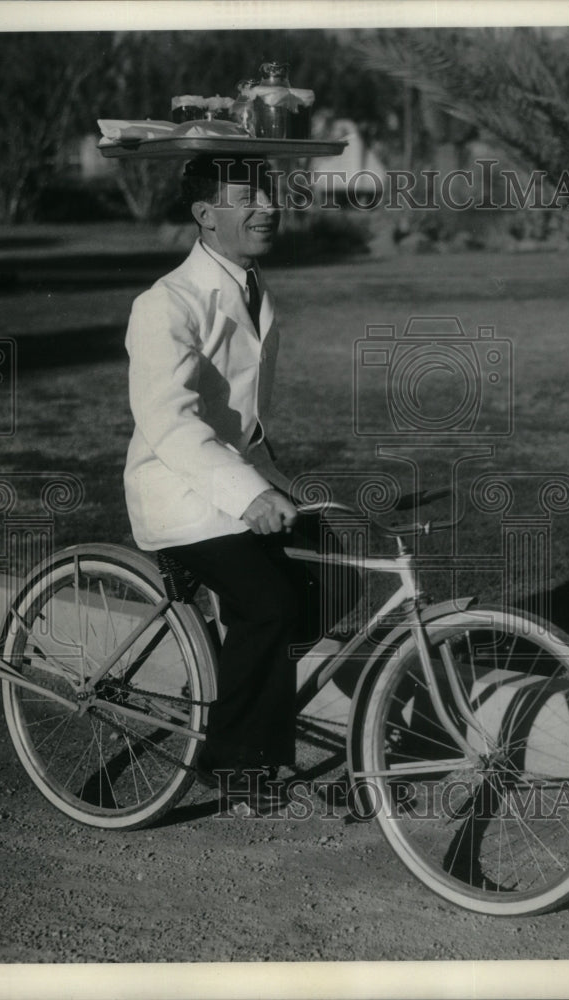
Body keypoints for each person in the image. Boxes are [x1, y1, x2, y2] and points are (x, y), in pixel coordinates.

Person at [123, 154, 352, 811]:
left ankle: (244, 689)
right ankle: (233, 758)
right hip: (179, 489)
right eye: (246, 198)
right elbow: (168, 422)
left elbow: (244, 416)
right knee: (271, 604)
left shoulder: (252, 285)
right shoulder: (165, 303)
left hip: (241, 473)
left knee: (336, 577)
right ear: (205, 215)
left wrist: (269, 481)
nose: (268, 208)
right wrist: (246, 493)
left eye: (269, 195)